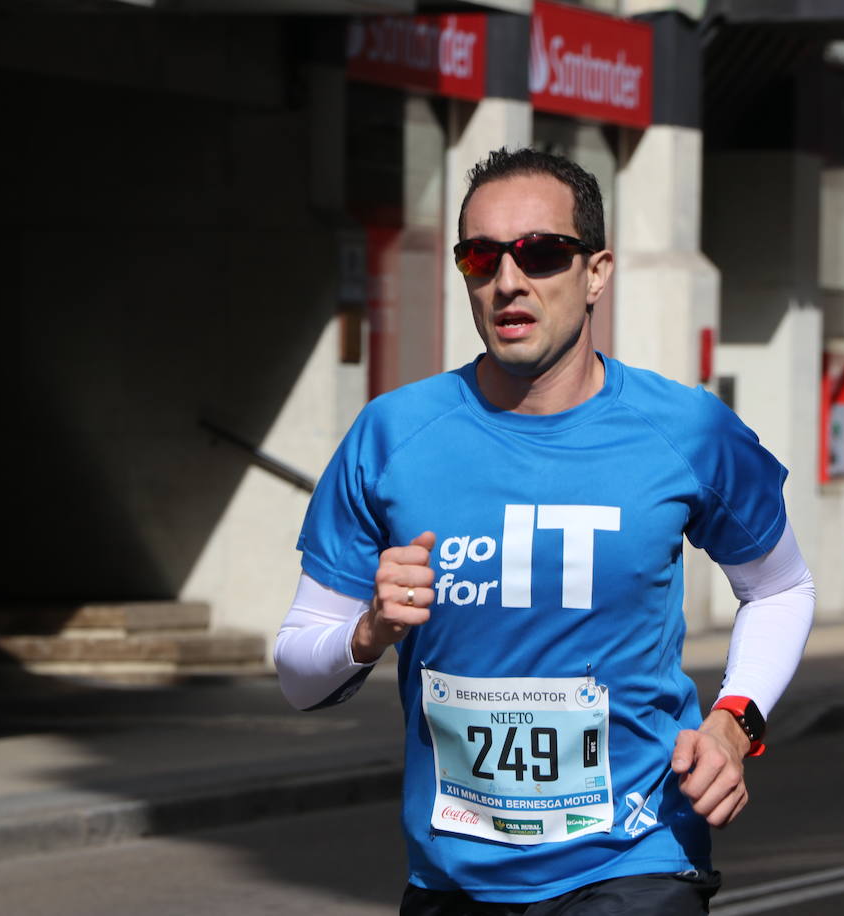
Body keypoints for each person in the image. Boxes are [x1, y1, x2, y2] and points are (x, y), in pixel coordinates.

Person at [275, 147, 814, 915]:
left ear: (596, 272)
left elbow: (782, 587)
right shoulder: (391, 435)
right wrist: (366, 633)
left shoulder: (686, 430)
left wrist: (735, 724)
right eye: (480, 256)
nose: (508, 279)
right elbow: (299, 674)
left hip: (637, 855)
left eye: (541, 252)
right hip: (453, 880)